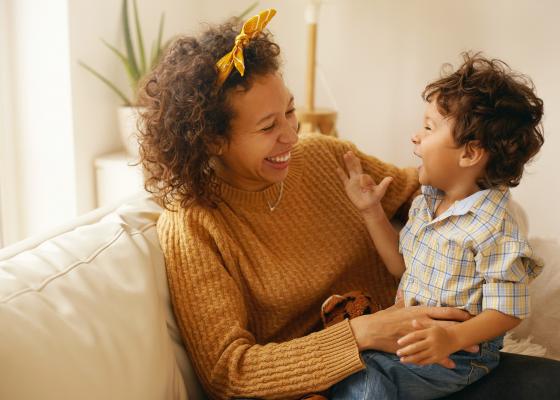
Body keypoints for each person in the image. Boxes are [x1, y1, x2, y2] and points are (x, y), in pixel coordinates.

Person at [137, 9, 488, 399]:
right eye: (269, 127)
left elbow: (418, 193)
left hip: (427, 357)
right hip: (341, 385)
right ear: (213, 141)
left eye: (289, 112)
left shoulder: (324, 158)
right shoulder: (193, 226)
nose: (291, 136)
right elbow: (229, 373)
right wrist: (364, 334)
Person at [331, 53, 544, 399]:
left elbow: (509, 310)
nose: (416, 136)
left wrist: (453, 338)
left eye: (429, 127)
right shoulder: (427, 201)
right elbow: (401, 267)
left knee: (367, 382)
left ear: (470, 154)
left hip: (459, 355)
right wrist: (371, 212)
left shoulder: (494, 226)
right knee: (342, 364)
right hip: (411, 334)